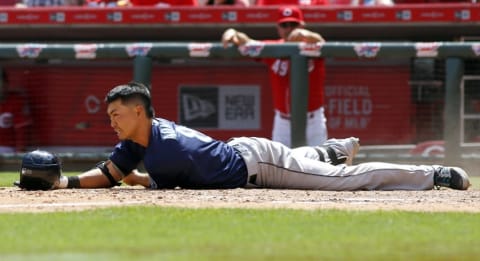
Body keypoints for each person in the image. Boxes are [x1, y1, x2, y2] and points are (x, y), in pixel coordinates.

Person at [21, 81, 470, 191]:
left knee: (340, 182)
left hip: (257, 165)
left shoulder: (167, 148)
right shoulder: (143, 137)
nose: (112, 122)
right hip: (249, 155)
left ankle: (434, 173)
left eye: (118, 115)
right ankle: (328, 149)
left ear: (139, 112)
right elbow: (114, 171)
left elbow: (136, 176)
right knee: (311, 163)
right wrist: (64, 183)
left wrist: (137, 180)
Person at [221, 6, 328, 148]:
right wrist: (233, 32)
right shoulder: (273, 48)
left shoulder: (312, 46)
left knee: (320, 166)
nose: (289, 28)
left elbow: (323, 44)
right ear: (278, 28)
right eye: (284, 25)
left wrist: (307, 35)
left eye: (294, 24)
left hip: (312, 121)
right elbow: (248, 44)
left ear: (302, 25)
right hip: (282, 121)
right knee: (280, 167)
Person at [0, 70, 32, 153]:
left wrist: (20, 152)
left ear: (6, 84)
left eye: (2, 83)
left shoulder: (17, 101)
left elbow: (21, 132)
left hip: (7, 149)